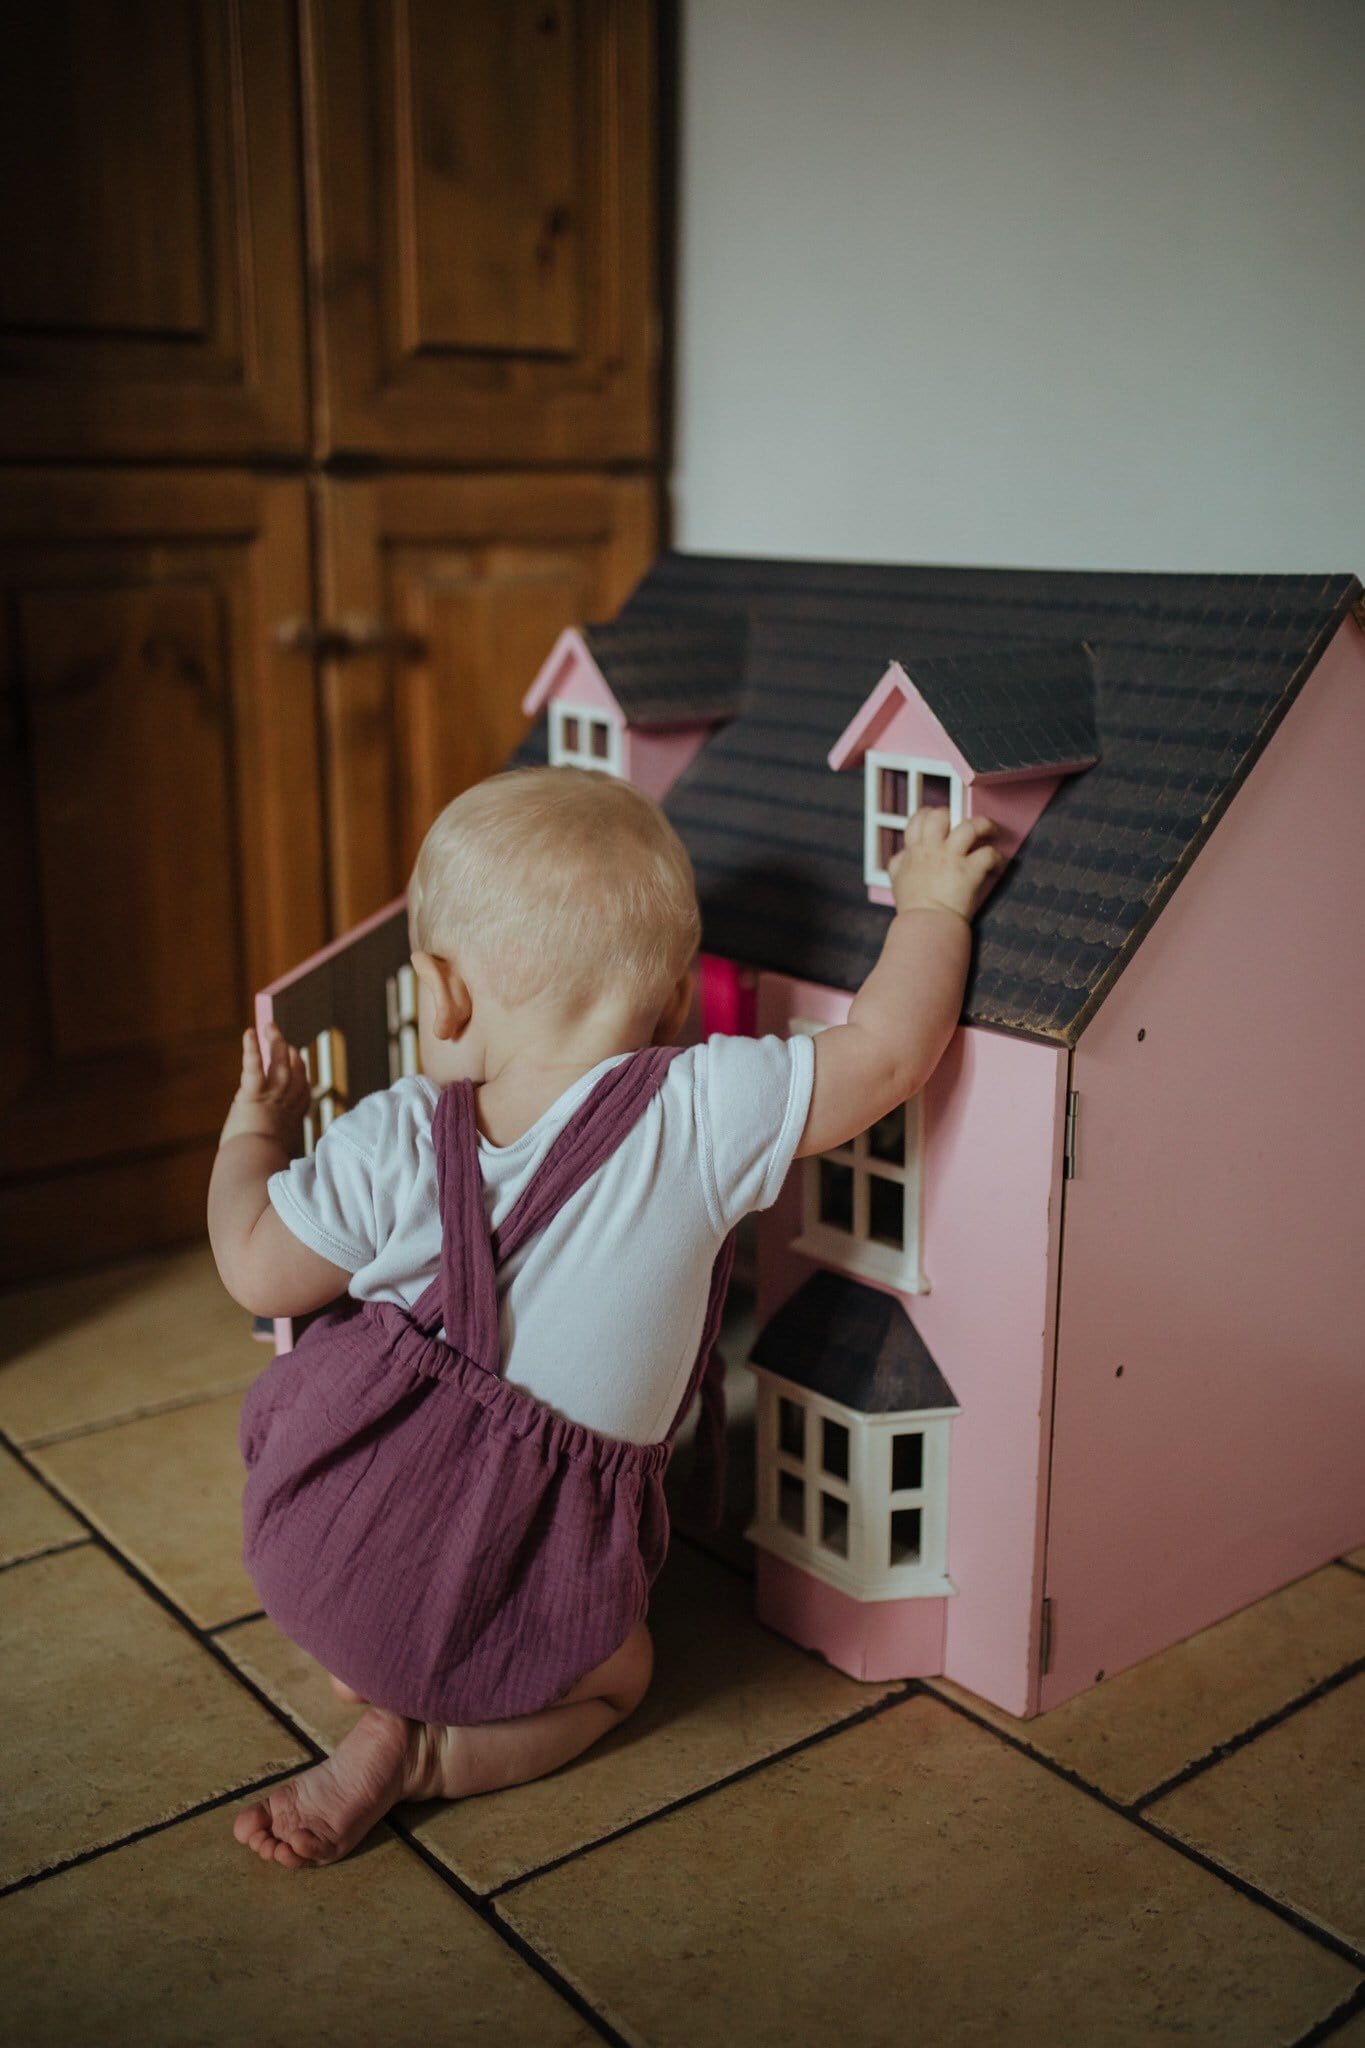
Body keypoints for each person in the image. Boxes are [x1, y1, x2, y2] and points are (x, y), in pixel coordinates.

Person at [208, 766, 1003, 1868]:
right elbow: (888, 1052)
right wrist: (930, 904)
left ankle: (375, 1667)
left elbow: (255, 1268)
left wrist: (254, 1131)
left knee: (372, 1573)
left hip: (328, 1550)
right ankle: (434, 1753)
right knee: (620, 1674)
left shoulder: (391, 1134)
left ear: (439, 993)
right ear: (675, 1001)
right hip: (536, 1576)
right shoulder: (701, 1110)